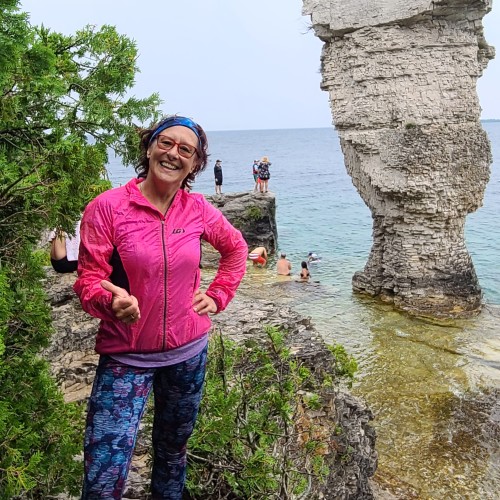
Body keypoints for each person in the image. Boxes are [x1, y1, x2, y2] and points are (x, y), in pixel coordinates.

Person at [73, 115, 248, 499]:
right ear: (149, 147)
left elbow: (236, 249)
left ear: (196, 163)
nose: (173, 154)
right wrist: (110, 301)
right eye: (166, 143)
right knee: (103, 472)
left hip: (188, 354)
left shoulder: (198, 209)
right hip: (126, 356)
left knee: (172, 454)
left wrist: (218, 294)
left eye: (186, 149)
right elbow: (88, 280)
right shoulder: (107, 208)